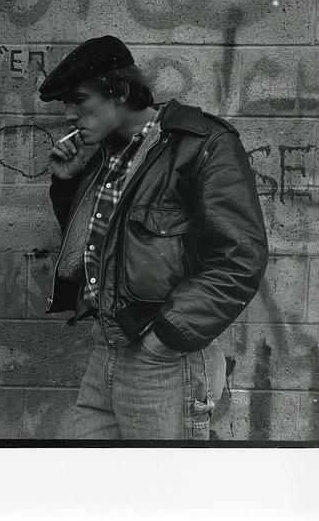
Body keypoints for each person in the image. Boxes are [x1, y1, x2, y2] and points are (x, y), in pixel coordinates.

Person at [41, 35, 268, 440]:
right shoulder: (108, 153)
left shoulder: (201, 143)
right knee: (90, 492)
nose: (71, 114)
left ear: (121, 90)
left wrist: (164, 338)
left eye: (78, 99)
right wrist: (67, 186)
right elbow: (96, 250)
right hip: (106, 349)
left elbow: (240, 257)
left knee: (163, 496)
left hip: (162, 358)